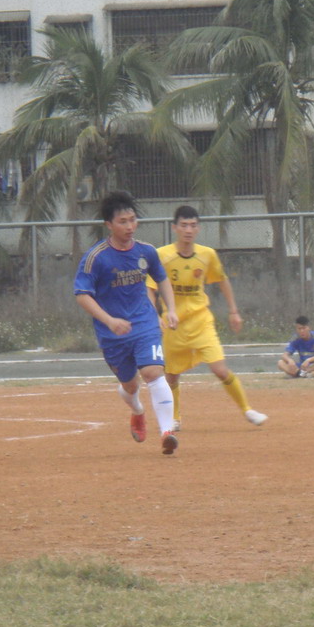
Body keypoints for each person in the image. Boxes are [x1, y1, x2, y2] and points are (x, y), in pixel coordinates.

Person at [74, 191, 182, 455]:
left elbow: (162, 279)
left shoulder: (146, 251)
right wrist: (109, 321)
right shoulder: (96, 257)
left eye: (133, 220)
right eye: (123, 221)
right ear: (109, 225)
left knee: (153, 372)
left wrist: (171, 309)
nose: (130, 226)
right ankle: (137, 410)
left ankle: (167, 432)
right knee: (130, 385)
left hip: (145, 323)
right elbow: (82, 295)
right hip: (113, 333)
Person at [148, 205, 267, 431]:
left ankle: (247, 409)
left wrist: (233, 311)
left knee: (220, 369)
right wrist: (154, 316)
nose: (188, 230)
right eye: (184, 225)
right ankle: (175, 418)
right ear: (174, 228)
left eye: (193, 225)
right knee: (171, 376)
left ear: (198, 229)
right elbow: (150, 288)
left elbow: (222, 280)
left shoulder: (207, 254)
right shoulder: (162, 255)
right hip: (173, 325)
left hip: (201, 321)